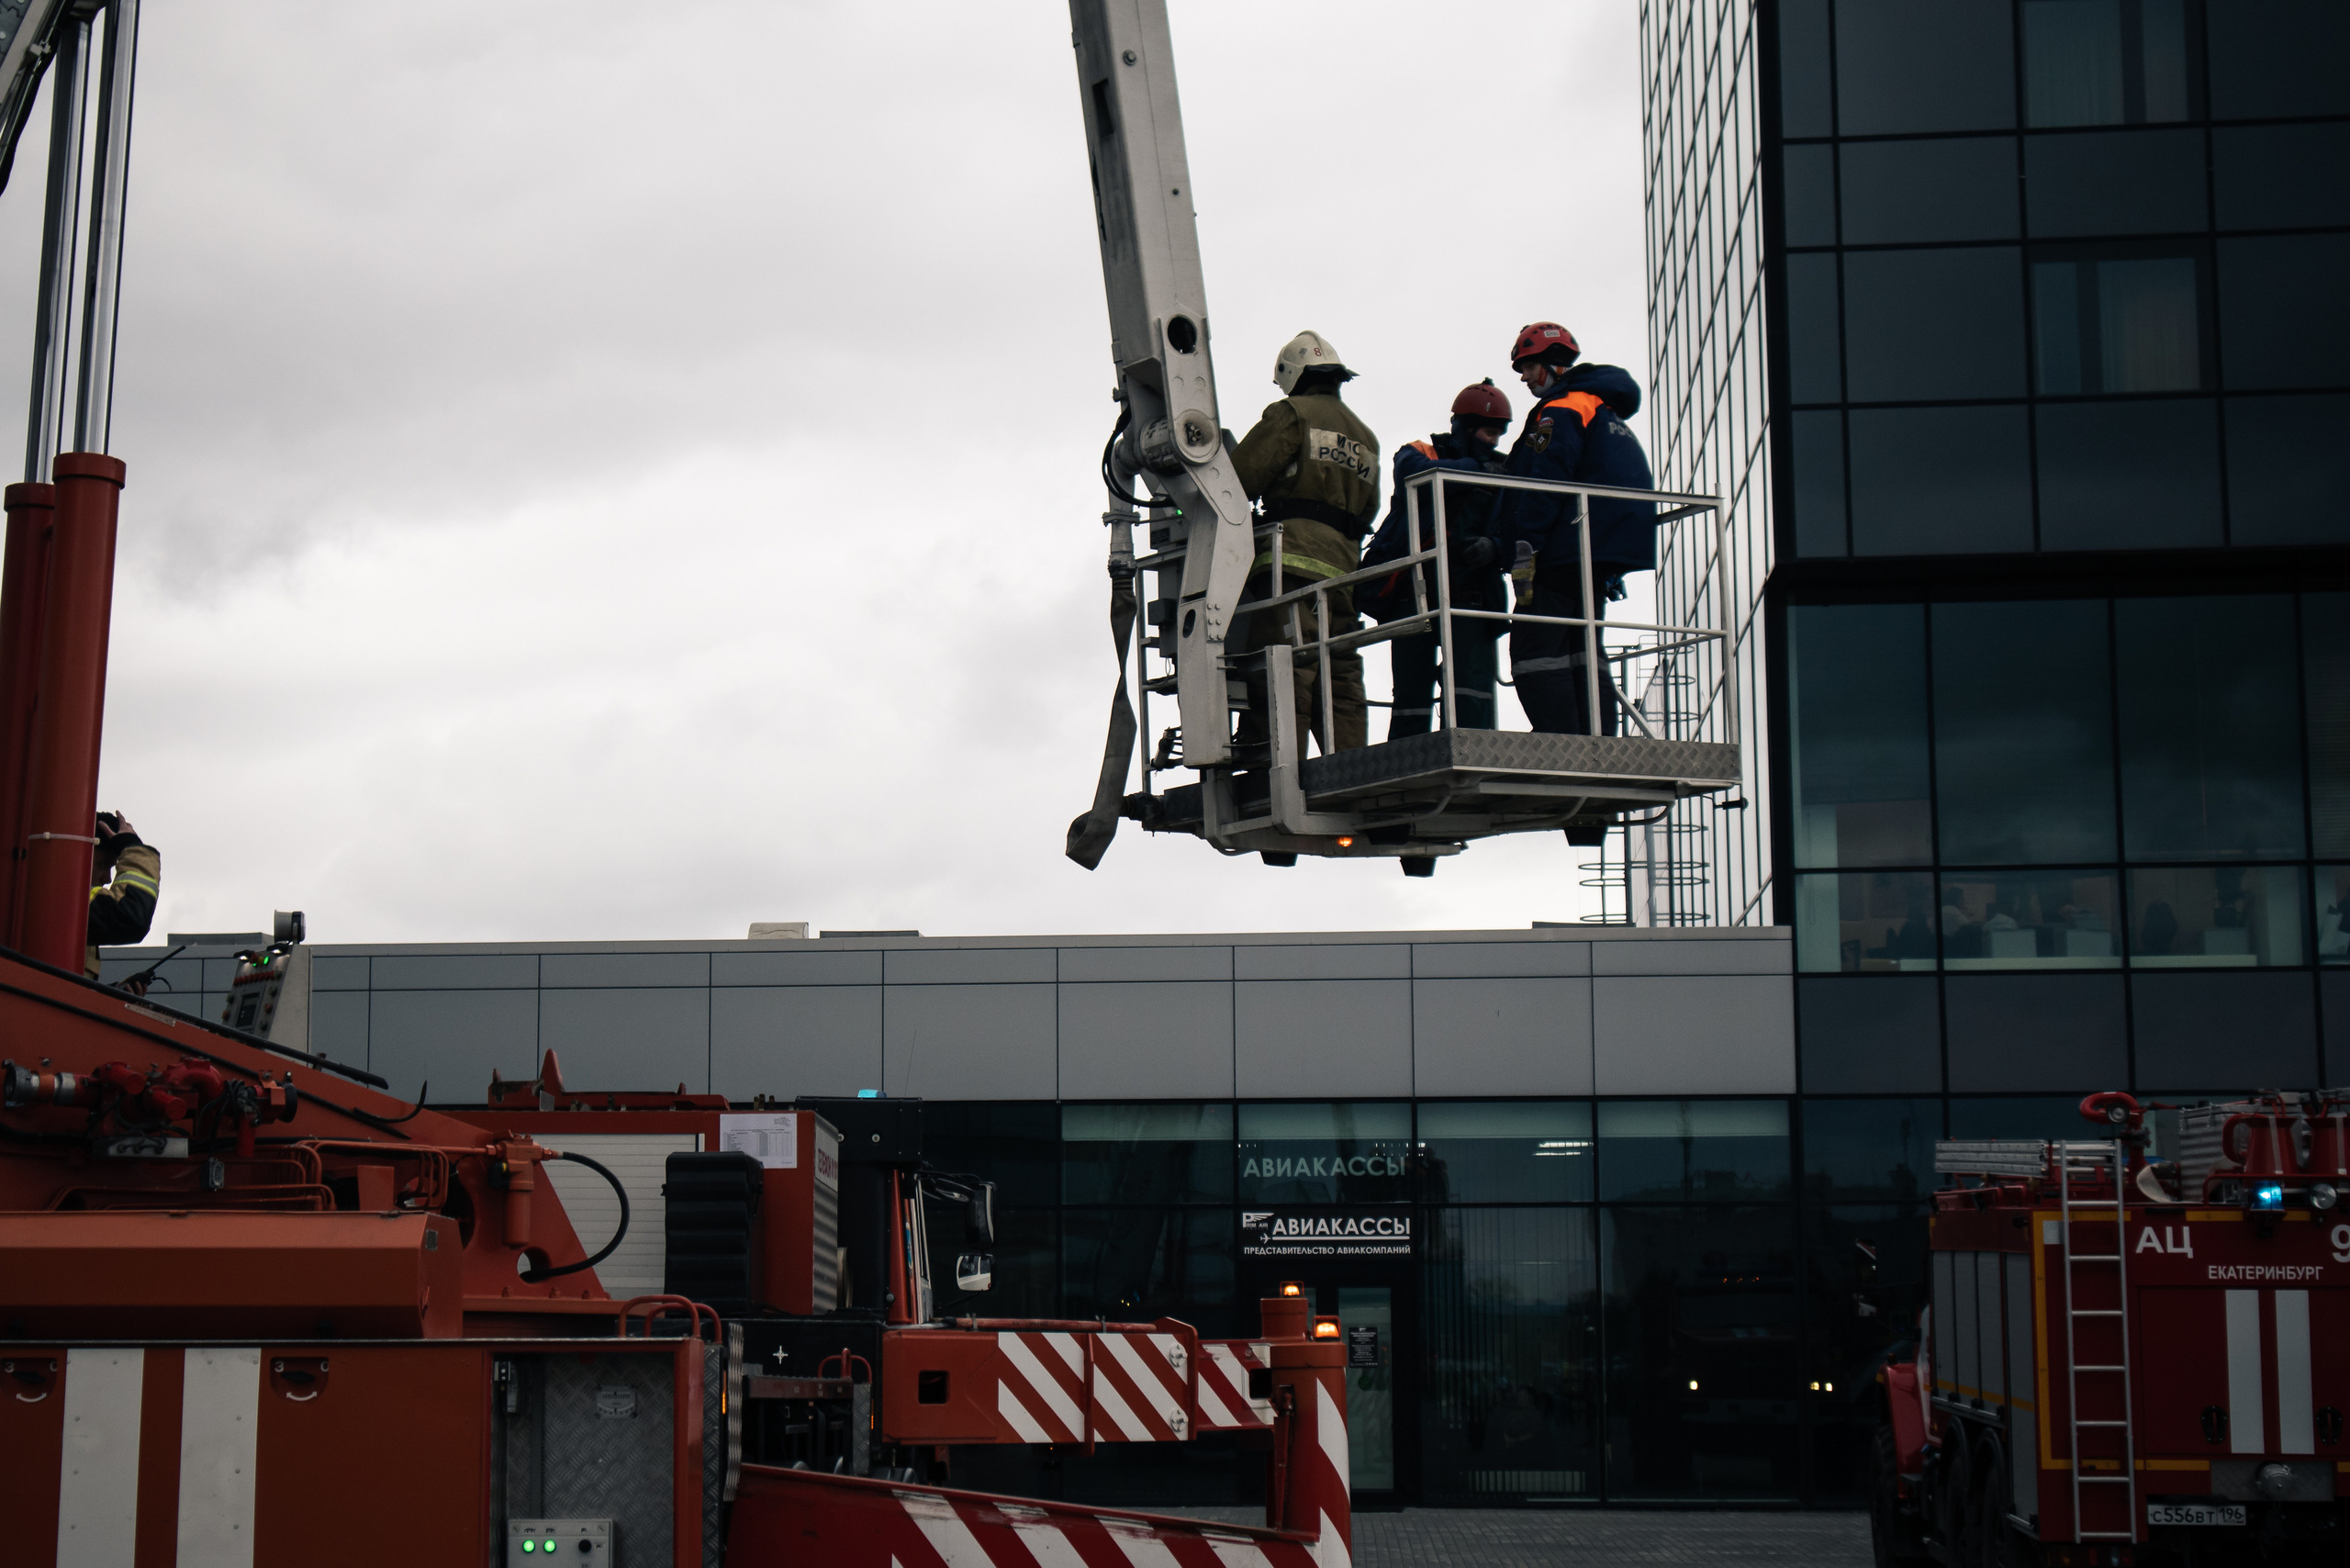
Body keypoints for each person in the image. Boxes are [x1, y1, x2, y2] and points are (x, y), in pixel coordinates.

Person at [1493, 322, 1657, 735]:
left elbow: (1547, 477)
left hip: (1561, 549)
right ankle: (1596, 739)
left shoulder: (1563, 407)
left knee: (1535, 648)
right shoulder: (1603, 410)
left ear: (1552, 366)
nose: (1524, 377)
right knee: (1584, 649)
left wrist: (1527, 543)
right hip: (1592, 550)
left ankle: (1562, 740)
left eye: (1528, 367)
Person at [1228, 330, 1382, 757]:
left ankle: (1278, 769)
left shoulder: (1291, 414)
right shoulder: (1365, 437)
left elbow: (1238, 480)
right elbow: (1369, 508)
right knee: (1340, 674)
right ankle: (1350, 766)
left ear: (1294, 376)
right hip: (1345, 572)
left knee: (1285, 668)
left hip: (1290, 563)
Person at [1359, 381, 1511, 736]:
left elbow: (1517, 525)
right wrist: (1475, 469)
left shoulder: (1504, 471)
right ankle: (1407, 756)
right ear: (1466, 427)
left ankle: (1476, 752)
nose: (1494, 443)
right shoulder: (1421, 452)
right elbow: (1412, 474)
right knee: (1411, 691)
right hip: (1414, 594)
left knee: (1472, 691)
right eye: (1489, 432)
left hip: (1471, 596)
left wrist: (1494, 545)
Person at [86, 810, 160, 980]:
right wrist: (135, 851)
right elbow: (130, 919)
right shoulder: (65, 898)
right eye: (103, 864)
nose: (107, 878)